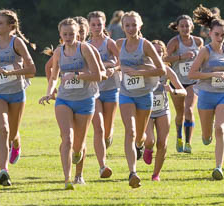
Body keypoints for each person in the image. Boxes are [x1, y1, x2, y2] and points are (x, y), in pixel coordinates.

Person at [40, 17, 104, 189]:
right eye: (65, 34)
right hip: (64, 99)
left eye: (71, 34)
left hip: (85, 100)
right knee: (66, 138)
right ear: (60, 35)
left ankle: (79, 175)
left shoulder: (85, 49)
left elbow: (97, 75)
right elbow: (54, 76)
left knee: (78, 144)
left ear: (78, 34)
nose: (68, 37)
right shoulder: (59, 52)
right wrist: (49, 92)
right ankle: (67, 178)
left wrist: (76, 75)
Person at [0, 9, 37, 186]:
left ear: (11, 26)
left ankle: (16, 144)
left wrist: (12, 72)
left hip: (16, 93)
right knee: (1, 129)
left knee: (12, 134)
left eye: (0, 23)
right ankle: (4, 171)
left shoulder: (16, 43)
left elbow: (32, 70)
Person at [112, 11, 167, 188]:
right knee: (131, 131)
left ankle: (141, 145)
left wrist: (139, 72)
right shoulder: (119, 44)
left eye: (134, 25)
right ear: (122, 27)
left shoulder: (146, 45)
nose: (130, 28)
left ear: (140, 26)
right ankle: (132, 173)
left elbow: (161, 70)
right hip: (126, 94)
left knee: (141, 136)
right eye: (127, 25)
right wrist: (113, 69)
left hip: (144, 95)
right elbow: (113, 62)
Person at [189, 6, 224, 182]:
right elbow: (192, 74)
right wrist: (212, 74)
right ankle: (205, 135)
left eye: (223, 35)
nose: (220, 38)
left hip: (223, 94)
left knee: (220, 129)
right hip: (206, 95)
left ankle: (218, 167)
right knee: (208, 136)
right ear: (210, 34)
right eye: (217, 34)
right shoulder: (204, 51)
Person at [142, 40, 188, 182]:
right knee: (149, 140)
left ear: (163, 54)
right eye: (154, 51)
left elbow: (183, 91)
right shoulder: (144, 70)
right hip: (147, 110)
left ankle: (156, 174)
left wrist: (172, 90)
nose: (157, 54)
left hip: (163, 110)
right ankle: (147, 149)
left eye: (160, 52)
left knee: (162, 143)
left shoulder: (167, 71)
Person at [86, 11, 121, 180]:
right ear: (88, 26)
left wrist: (112, 67)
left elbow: (122, 61)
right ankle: (102, 166)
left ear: (104, 25)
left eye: (99, 24)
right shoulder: (85, 45)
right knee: (98, 128)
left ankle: (109, 137)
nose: (96, 28)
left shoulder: (109, 43)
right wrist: (101, 65)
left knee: (106, 130)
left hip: (111, 88)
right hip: (93, 90)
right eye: (93, 25)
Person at [163, 14, 200, 153]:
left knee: (189, 110)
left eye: (187, 25)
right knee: (180, 113)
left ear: (192, 26)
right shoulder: (175, 42)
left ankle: (188, 143)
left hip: (193, 82)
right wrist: (180, 57)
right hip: (177, 82)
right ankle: (179, 136)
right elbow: (164, 57)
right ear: (177, 28)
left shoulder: (198, 41)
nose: (185, 28)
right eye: (182, 26)